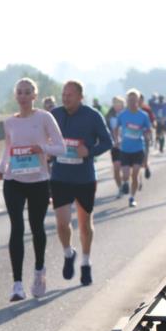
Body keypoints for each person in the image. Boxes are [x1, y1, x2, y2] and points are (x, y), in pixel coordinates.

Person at [0, 77, 66, 301]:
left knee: (36, 227)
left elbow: (61, 147)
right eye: (20, 92)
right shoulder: (10, 122)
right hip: (14, 180)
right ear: (15, 96)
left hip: (38, 180)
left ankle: (39, 271)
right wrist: (1, 167)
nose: (24, 96)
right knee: (16, 227)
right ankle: (17, 284)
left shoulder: (44, 117)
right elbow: (9, 148)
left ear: (34, 96)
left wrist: (42, 148)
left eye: (28, 92)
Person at [49, 81, 113, 286]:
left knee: (85, 224)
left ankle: (85, 261)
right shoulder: (54, 115)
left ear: (80, 97)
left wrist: (89, 152)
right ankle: (69, 253)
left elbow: (107, 142)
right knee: (62, 223)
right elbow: (43, 138)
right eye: (63, 94)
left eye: (70, 94)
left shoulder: (93, 116)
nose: (65, 98)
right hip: (60, 176)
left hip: (84, 177)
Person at [113, 89, 152, 208]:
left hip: (138, 149)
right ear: (127, 101)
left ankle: (132, 198)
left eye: (134, 100)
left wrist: (147, 135)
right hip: (125, 149)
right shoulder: (122, 115)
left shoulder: (143, 115)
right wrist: (116, 140)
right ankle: (125, 183)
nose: (132, 102)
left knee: (135, 174)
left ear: (138, 101)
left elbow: (148, 130)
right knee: (125, 175)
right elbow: (115, 128)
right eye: (129, 100)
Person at [106, 96, 125, 194]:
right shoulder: (109, 116)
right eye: (115, 103)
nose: (117, 105)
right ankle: (120, 188)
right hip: (115, 146)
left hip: (127, 146)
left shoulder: (128, 114)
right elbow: (106, 131)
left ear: (122, 104)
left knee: (126, 169)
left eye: (118, 103)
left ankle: (128, 181)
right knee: (116, 168)